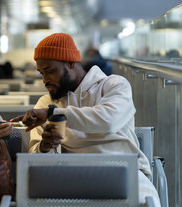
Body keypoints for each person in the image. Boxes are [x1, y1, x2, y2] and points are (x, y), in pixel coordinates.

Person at [11, 33, 161, 206]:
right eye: (41, 73)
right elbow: (36, 162)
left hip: (123, 170)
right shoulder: (46, 103)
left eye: (50, 71)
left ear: (70, 62)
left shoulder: (114, 85)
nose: (45, 80)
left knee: (145, 201)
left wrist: (54, 113)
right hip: (70, 176)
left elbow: (107, 121)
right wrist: (44, 148)